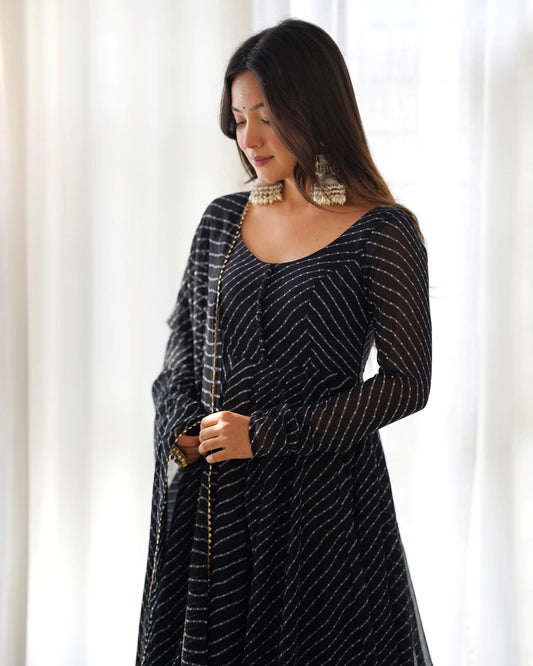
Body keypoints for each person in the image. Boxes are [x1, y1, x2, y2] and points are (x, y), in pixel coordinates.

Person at [136, 18, 432, 666]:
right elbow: (181, 352)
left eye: (266, 118)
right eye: (240, 119)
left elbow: (407, 383)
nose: (249, 139)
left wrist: (265, 436)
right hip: (213, 510)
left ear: (314, 108)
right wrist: (189, 438)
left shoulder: (381, 232)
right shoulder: (222, 220)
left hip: (322, 511)